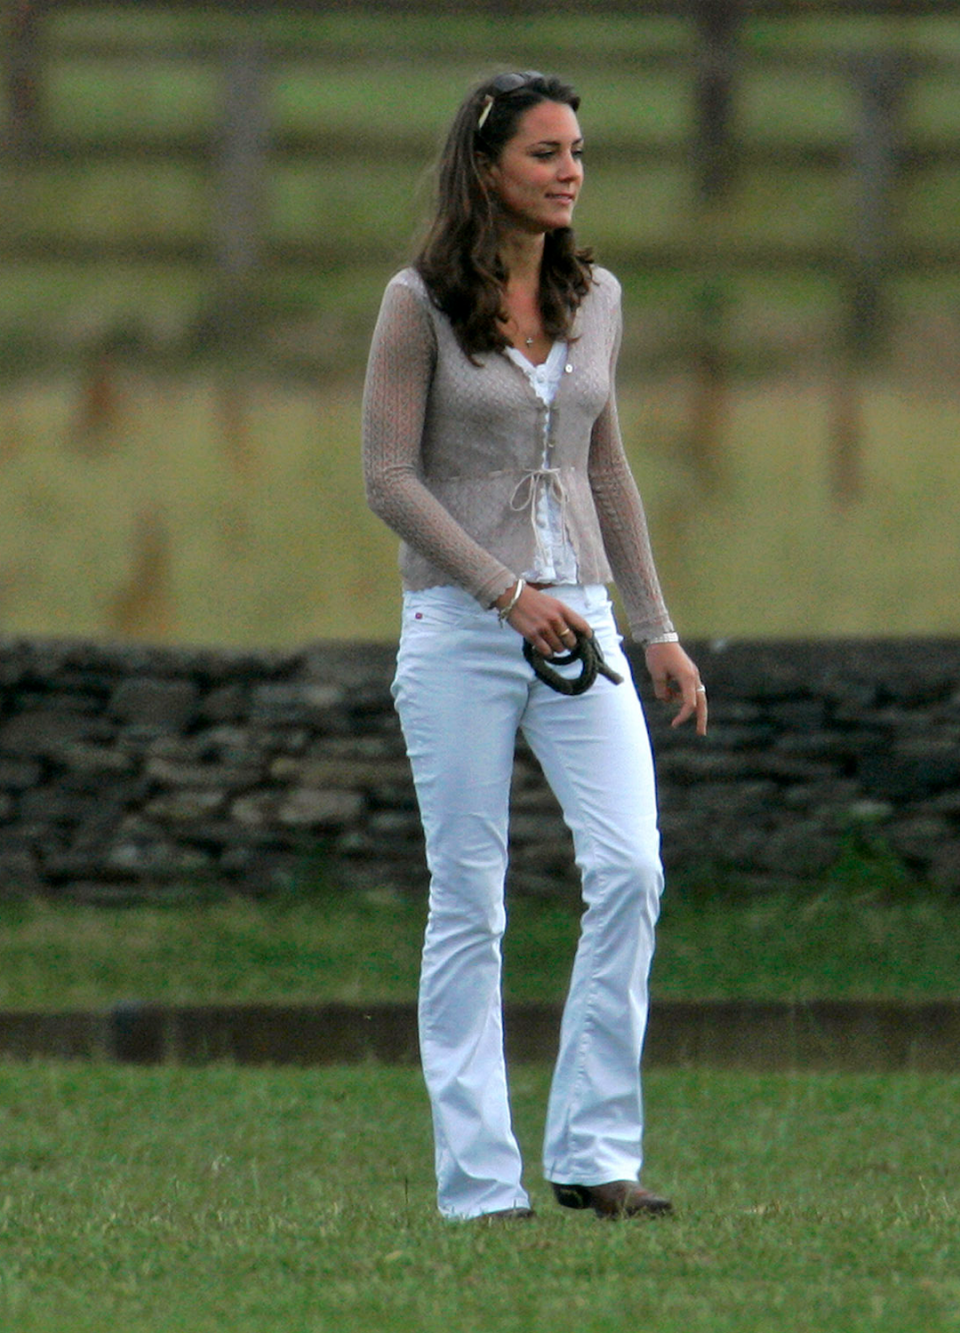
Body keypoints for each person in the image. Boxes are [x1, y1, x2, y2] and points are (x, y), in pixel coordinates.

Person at [362, 70, 707, 1224]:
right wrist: (505, 591)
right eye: (546, 153)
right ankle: (478, 1184)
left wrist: (653, 628)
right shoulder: (416, 302)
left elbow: (606, 467)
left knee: (632, 868)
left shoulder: (597, 294)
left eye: (577, 152)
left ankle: (593, 1153)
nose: (570, 172)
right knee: (470, 898)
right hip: (462, 624)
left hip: (587, 621)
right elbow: (388, 480)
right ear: (486, 167)